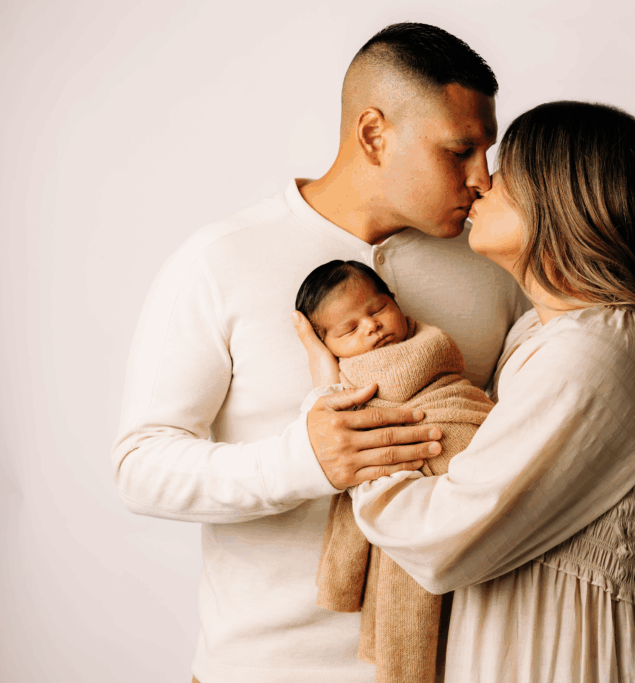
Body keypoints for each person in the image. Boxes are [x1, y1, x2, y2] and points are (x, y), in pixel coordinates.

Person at [111, 23, 524, 683]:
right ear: (373, 134)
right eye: (460, 150)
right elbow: (140, 464)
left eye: (488, 150)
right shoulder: (222, 259)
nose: (484, 178)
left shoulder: (497, 267)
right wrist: (301, 461)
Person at [294, 101, 635, 682]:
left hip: (568, 661)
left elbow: (442, 537)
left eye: (505, 170)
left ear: (559, 198)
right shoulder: (546, 331)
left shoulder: (592, 353)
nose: (480, 182)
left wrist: (345, 407)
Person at [293, 258, 493, 682]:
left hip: (465, 458)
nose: (371, 327)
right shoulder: (348, 383)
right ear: (328, 346)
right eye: (349, 329)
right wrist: (324, 380)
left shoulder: (434, 344)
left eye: (377, 309)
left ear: (396, 303)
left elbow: (458, 395)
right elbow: (338, 425)